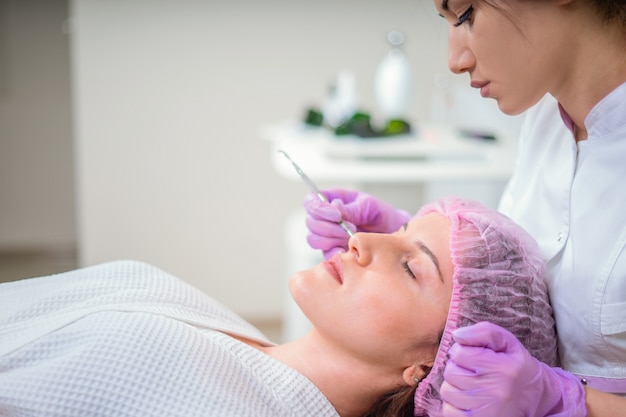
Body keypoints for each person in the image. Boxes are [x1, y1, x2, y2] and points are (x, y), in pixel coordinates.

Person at [303, 0, 626, 416]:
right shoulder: (546, 119)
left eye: (467, 14)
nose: (455, 60)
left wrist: (571, 403)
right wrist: (410, 238)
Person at [0, 197, 555, 417]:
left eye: (412, 265)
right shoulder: (234, 337)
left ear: (434, 366)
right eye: (400, 228)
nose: (361, 240)